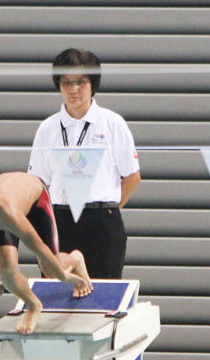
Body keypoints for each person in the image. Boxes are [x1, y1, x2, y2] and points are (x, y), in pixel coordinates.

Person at [28, 48, 141, 279]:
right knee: (58, 297)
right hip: (59, 221)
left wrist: (108, 211)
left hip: (101, 220)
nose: (73, 89)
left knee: (102, 297)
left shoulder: (112, 123)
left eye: (80, 82)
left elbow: (132, 177)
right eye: (66, 82)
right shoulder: (48, 128)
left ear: (93, 84)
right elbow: (36, 184)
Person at [0, 157, 93, 334]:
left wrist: (65, 277)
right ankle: (34, 305)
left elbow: (39, 248)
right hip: (1, 214)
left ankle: (75, 259)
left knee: (49, 269)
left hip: (36, 199)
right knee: (6, 271)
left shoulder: (6, 211)